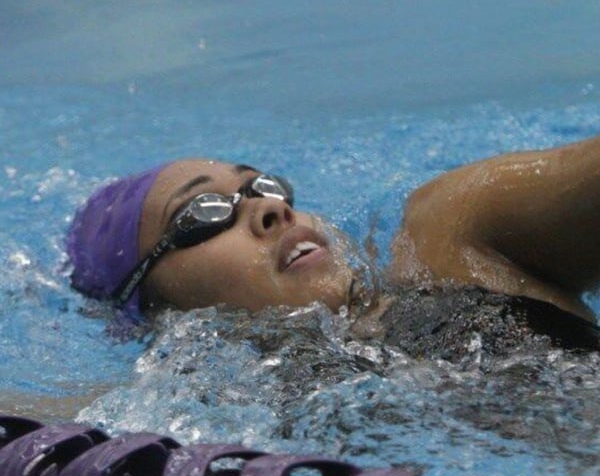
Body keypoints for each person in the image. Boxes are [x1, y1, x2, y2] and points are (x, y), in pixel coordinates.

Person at [67, 136, 600, 355]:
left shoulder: (450, 243)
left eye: (263, 187)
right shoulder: (191, 414)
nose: (271, 209)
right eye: (200, 214)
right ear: (153, 311)